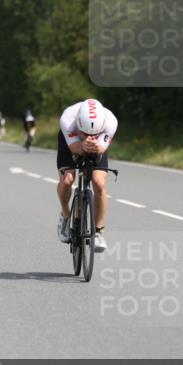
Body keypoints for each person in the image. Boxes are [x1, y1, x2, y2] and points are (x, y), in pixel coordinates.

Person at [56, 98, 118, 252]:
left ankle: (98, 232)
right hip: (71, 142)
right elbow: (74, 147)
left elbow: (101, 149)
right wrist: (81, 145)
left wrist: (96, 145)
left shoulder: (110, 122)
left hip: (98, 145)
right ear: (78, 123)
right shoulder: (68, 119)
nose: (89, 135)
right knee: (67, 180)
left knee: (99, 183)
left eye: (94, 133)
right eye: (85, 132)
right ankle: (65, 214)